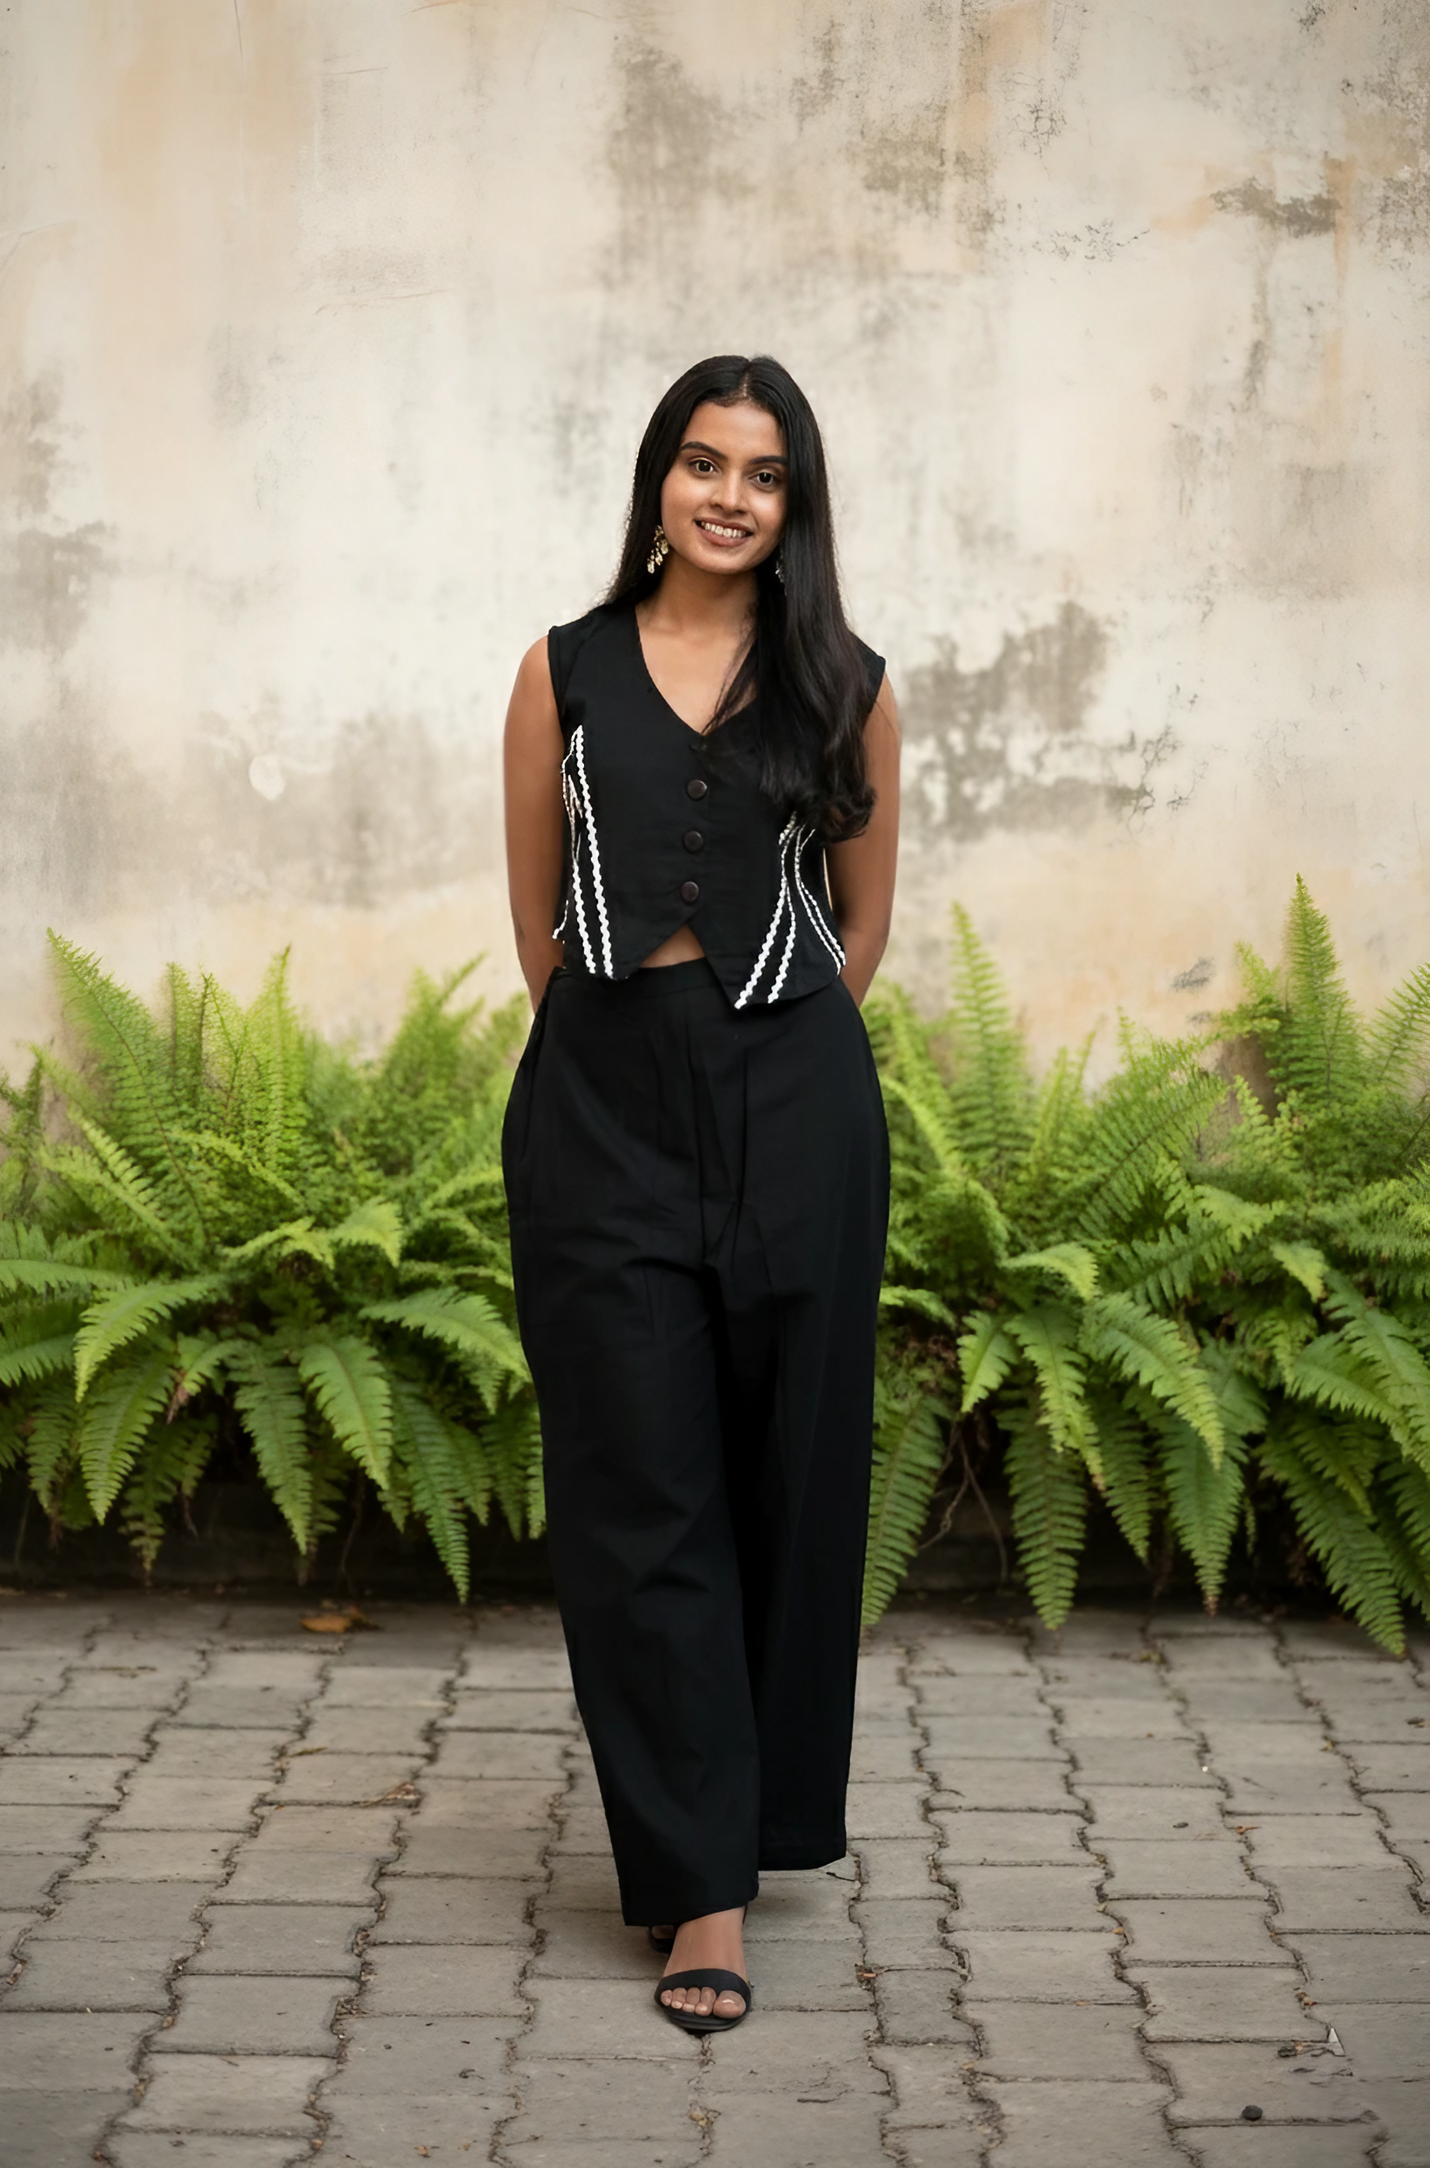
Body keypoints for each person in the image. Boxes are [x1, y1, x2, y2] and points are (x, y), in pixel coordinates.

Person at [500, 353, 900, 2033]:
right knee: (637, 1485)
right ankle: (699, 1897)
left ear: (793, 504)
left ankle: (761, 1813)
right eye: (701, 462)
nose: (729, 495)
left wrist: (775, 1058)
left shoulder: (846, 683)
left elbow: (862, 926)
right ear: (657, 479)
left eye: (764, 473)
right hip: (601, 1095)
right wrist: (620, 1050)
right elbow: (539, 925)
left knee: (785, 1475)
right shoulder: (563, 671)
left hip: (795, 1091)